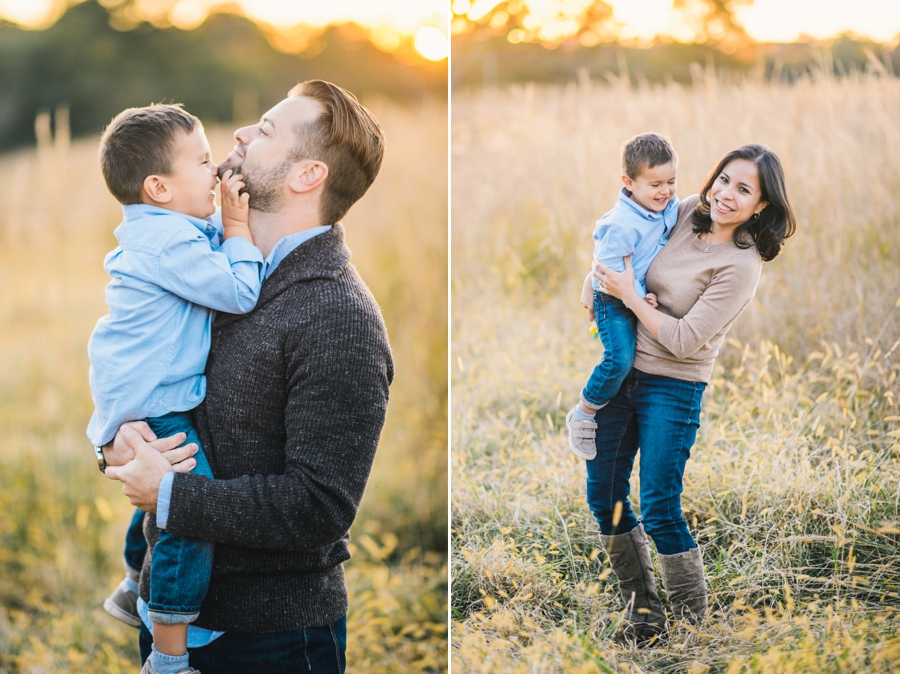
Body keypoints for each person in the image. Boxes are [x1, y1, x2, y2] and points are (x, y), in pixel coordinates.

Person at [101, 80, 393, 673]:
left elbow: (319, 508)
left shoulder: (338, 316)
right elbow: (141, 383)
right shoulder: (199, 267)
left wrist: (171, 494)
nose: (238, 134)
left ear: (306, 175)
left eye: (264, 130)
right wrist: (113, 446)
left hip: (269, 638)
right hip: (168, 612)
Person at [582, 144, 796, 643]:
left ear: (761, 206)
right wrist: (593, 283)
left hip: (673, 388)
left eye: (744, 190)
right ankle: (643, 611)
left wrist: (629, 296)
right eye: (724, 179)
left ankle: (692, 625)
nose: (724, 194)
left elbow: (682, 340)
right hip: (623, 375)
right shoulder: (678, 213)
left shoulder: (741, 266)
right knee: (605, 495)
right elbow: (618, 250)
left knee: (659, 505)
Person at [87, 104, 261, 674]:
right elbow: (237, 293)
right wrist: (238, 229)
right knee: (187, 505)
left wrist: (223, 223)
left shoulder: (165, 228)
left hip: (138, 396)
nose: (216, 173)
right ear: (159, 187)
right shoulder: (168, 244)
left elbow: (203, 244)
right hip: (152, 402)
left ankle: (134, 580)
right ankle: (168, 648)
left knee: (157, 503)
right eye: (204, 161)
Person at [566, 133, 678, 459]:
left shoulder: (665, 207)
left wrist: (643, 296)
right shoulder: (621, 224)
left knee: (636, 364)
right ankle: (584, 413)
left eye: (671, 181)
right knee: (620, 359)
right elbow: (608, 269)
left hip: (633, 296)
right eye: (655, 184)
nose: (666, 191)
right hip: (612, 299)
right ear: (628, 182)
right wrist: (638, 297)